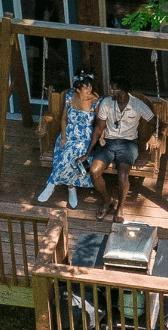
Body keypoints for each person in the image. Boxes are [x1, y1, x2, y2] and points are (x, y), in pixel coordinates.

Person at [85, 78, 157, 222]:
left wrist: (154, 136)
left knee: (123, 175)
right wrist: (89, 151)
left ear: (123, 92)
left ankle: (120, 208)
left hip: (128, 144)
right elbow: (99, 127)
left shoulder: (137, 105)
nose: (110, 92)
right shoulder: (106, 102)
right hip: (109, 143)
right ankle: (107, 201)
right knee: (94, 171)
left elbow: (155, 122)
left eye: (114, 90)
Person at [37, 71, 97, 209]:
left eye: (90, 87)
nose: (89, 89)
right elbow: (64, 118)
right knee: (65, 150)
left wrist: (103, 137)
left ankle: (54, 183)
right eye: (86, 87)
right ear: (77, 88)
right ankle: (70, 188)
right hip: (69, 132)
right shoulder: (70, 97)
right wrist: (63, 136)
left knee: (74, 153)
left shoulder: (95, 100)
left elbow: (100, 122)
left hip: (85, 136)